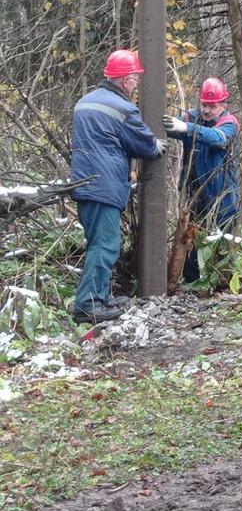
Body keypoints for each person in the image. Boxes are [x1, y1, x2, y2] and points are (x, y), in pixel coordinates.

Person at [68, 50, 167, 324]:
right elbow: (145, 145)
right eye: (134, 79)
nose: (136, 84)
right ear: (125, 81)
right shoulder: (122, 108)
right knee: (106, 246)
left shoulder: (85, 102)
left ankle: (100, 298)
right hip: (104, 186)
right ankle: (88, 306)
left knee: (98, 243)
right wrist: (157, 145)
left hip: (84, 183)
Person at [164, 78, 241, 283]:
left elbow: (217, 138)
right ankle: (191, 283)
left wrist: (187, 128)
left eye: (212, 106)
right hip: (194, 194)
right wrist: (171, 126)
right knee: (191, 239)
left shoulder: (229, 123)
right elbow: (170, 128)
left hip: (223, 196)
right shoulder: (192, 117)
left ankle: (221, 285)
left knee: (222, 243)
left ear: (223, 105)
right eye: (204, 105)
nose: (206, 110)